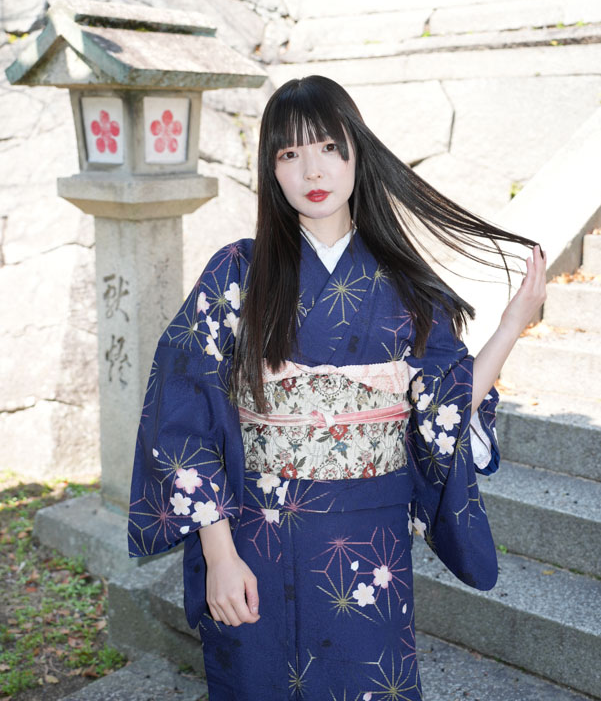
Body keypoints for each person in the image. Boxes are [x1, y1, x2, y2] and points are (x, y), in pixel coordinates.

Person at [128, 75, 546, 700]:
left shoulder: (405, 284)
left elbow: (447, 406)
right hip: (255, 537)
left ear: (357, 151)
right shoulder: (236, 271)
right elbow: (182, 414)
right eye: (289, 153)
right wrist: (218, 554)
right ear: (271, 169)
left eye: (327, 146)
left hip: (369, 538)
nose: (312, 169)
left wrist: (512, 326)